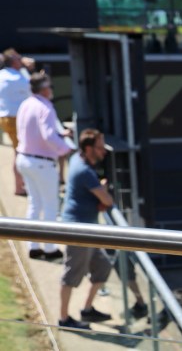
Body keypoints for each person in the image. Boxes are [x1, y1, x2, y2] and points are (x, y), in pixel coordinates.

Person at [59, 129, 148, 330]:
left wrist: (98, 192)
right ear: (88, 148)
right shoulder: (85, 171)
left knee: (103, 267)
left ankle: (87, 310)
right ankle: (64, 320)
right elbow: (107, 200)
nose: (104, 152)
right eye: (100, 147)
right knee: (71, 276)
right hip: (78, 232)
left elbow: (96, 197)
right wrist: (103, 190)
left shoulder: (77, 160)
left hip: (88, 230)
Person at [16, 72, 75, 259]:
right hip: (41, 162)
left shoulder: (26, 104)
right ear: (44, 89)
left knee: (35, 203)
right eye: (50, 86)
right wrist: (65, 148)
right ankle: (50, 249)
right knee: (50, 206)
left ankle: (33, 246)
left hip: (25, 158)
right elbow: (48, 135)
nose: (51, 90)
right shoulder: (46, 107)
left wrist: (60, 136)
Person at [0, 48, 34, 195]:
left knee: (19, 152)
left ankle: (21, 184)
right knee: (20, 153)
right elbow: (35, 90)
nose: (22, 61)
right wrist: (28, 69)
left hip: (5, 118)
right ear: (14, 62)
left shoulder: (2, 75)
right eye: (19, 59)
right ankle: (19, 187)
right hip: (15, 119)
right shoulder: (19, 79)